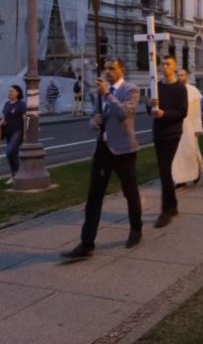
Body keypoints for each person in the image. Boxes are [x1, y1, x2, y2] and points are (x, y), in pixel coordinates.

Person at [61, 57, 143, 259]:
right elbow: (95, 116)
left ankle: (135, 229)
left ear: (121, 70)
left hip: (124, 150)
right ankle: (86, 243)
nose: (108, 72)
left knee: (130, 192)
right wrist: (94, 121)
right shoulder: (100, 91)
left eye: (112, 68)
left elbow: (124, 113)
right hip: (103, 149)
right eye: (106, 68)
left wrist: (108, 95)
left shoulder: (131, 89)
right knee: (94, 197)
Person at [147, 55, 188, 228]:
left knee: (164, 171)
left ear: (175, 66)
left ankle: (166, 210)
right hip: (159, 133)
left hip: (172, 133)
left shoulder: (180, 88)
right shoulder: (156, 87)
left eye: (168, 64)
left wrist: (165, 114)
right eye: (163, 64)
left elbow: (182, 112)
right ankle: (172, 206)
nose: (165, 67)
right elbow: (150, 111)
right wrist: (149, 105)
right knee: (164, 171)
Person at [172, 69, 203, 188]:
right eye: (178, 75)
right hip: (177, 126)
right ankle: (180, 179)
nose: (180, 77)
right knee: (178, 153)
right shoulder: (173, 90)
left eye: (182, 75)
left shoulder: (193, 91)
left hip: (189, 125)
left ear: (187, 76)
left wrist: (197, 128)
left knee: (191, 150)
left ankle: (196, 172)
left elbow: (197, 112)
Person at [0, 85, 26, 184]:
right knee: (12, 154)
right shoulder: (7, 104)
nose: (9, 93)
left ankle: (17, 173)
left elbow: (25, 119)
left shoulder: (21, 104)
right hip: (8, 132)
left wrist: (25, 133)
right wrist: (1, 121)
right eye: (9, 91)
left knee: (9, 152)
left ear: (17, 93)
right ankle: (16, 175)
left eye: (11, 91)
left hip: (18, 131)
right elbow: (4, 117)